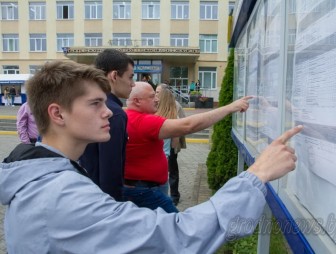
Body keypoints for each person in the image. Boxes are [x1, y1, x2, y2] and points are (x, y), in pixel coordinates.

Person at [0, 60, 303, 253]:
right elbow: (176, 238)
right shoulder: (61, 196)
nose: (108, 111)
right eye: (95, 104)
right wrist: (256, 175)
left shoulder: (43, 174)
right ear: (58, 114)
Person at [123, 81, 251, 213]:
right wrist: (230, 108)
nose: (157, 99)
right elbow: (188, 125)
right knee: (176, 227)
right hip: (146, 191)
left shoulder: (127, 117)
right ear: (137, 101)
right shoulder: (143, 121)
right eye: (152, 96)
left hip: (142, 187)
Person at [80, 49, 135, 201]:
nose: (133, 84)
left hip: (85, 192)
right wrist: (113, 207)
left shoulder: (86, 103)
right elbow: (110, 169)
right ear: (114, 76)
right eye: (130, 77)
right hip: (103, 200)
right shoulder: (114, 114)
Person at [156, 83, 186, 205]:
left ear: (164, 93)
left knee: (172, 169)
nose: (155, 94)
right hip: (159, 146)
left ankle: (174, 196)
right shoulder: (154, 104)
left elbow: (182, 124)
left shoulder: (175, 105)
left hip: (171, 145)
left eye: (157, 92)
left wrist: (175, 144)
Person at [155, 86, 178, 198]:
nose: (155, 96)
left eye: (157, 93)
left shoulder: (156, 116)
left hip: (160, 157)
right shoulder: (170, 114)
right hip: (165, 156)